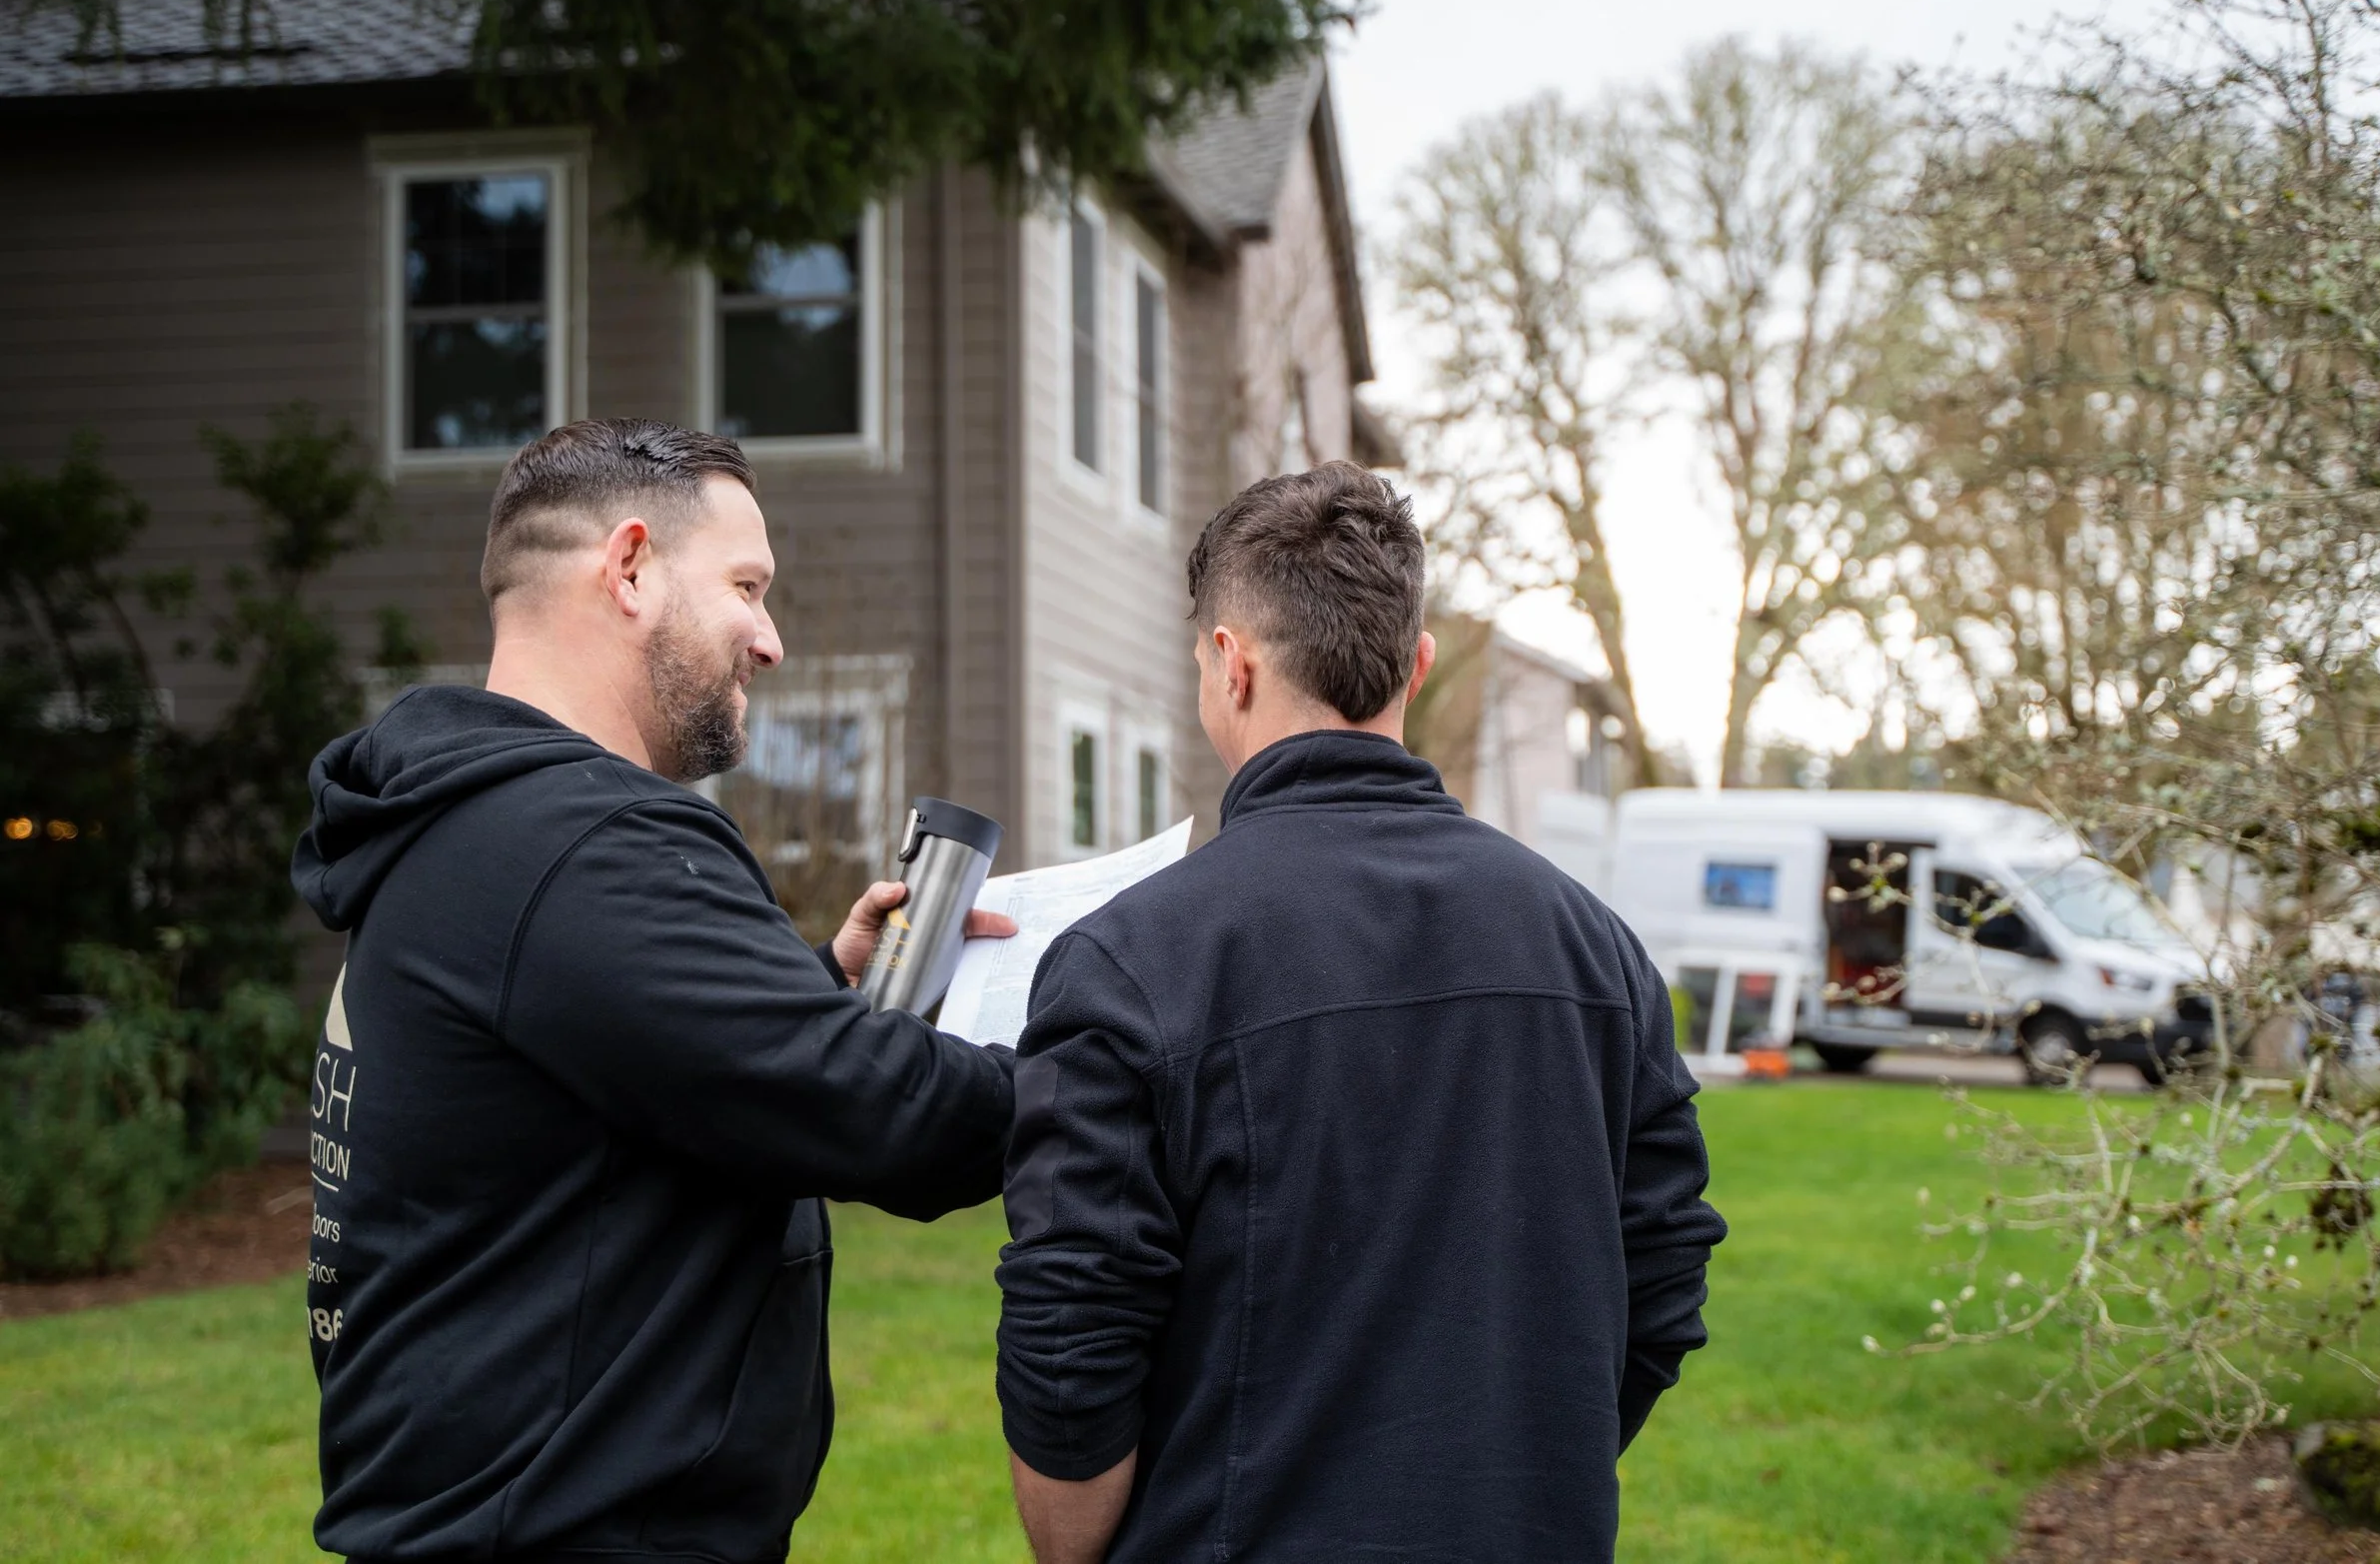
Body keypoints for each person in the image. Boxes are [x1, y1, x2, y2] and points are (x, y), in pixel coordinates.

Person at [291, 418, 1016, 1564]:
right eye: (747, 585)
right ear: (629, 567)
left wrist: (819, 989)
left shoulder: (462, 825)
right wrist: (1125, 1040)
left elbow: (615, 1083)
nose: (769, 638)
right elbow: (886, 1118)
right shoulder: (585, 844)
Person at [994, 461, 1728, 1564]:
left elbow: (1072, 1339)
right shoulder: (1593, 944)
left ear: (1228, 664)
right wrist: (1522, 1468)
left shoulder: (1131, 959)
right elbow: (1663, 1271)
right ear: (1415, 666)